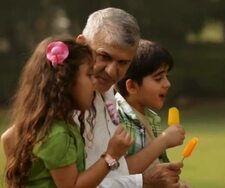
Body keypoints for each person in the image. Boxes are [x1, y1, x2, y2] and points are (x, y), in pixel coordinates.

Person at [1, 37, 133, 188]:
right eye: (89, 75)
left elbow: (7, 137)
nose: (94, 82)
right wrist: (111, 155)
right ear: (66, 81)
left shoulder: (47, 125)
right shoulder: (57, 134)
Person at [76, 7, 183, 188]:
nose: (111, 71)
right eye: (104, 56)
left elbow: (114, 171)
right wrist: (144, 181)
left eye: (123, 62)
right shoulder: (63, 101)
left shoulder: (107, 94)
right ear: (82, 45)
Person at [115, 39, 190, 187]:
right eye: (158, 78)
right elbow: (119, 171)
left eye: (166, 76)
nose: (167, 84)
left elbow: (154, 168)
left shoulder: (151, 118)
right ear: (131, 86)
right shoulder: (117, 118)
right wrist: (163, 141)